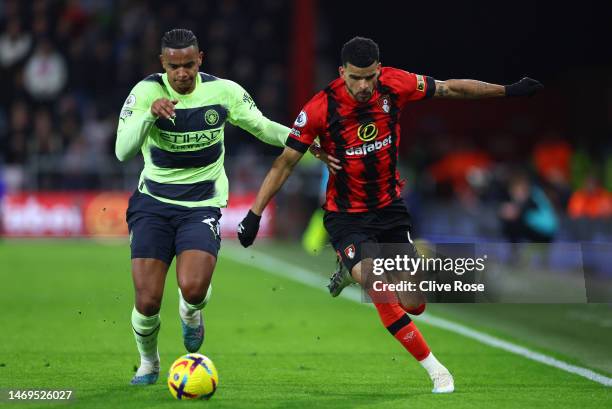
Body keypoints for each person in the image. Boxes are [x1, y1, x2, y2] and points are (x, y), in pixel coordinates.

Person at [237, 36, 543, 394]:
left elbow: (451, 89)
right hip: (346, 216)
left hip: (389, 211)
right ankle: (436, 370)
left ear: (379, 70)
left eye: (369, 77)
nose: (364, 85)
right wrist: (255, 215)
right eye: (356, 78)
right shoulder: (321, 108)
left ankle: (348, 272)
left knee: (414, 302)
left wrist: (507, 91)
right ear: (342, 73)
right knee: (376, 284)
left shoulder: (396, 84)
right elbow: (285, 162)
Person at [115, 29, 336, 385]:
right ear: (163, 64)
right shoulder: (146, 93)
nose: (182, 73)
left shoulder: (224, 92)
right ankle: (148, 363)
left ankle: (191, 315)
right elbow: (122, 151)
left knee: (194, 289)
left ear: (200, 59)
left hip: (201, 205)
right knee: (148, 299)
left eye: (189, 64)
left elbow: (262, 127)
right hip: (153, 205)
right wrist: (148, 116)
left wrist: (306, 141)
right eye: (174, 67)